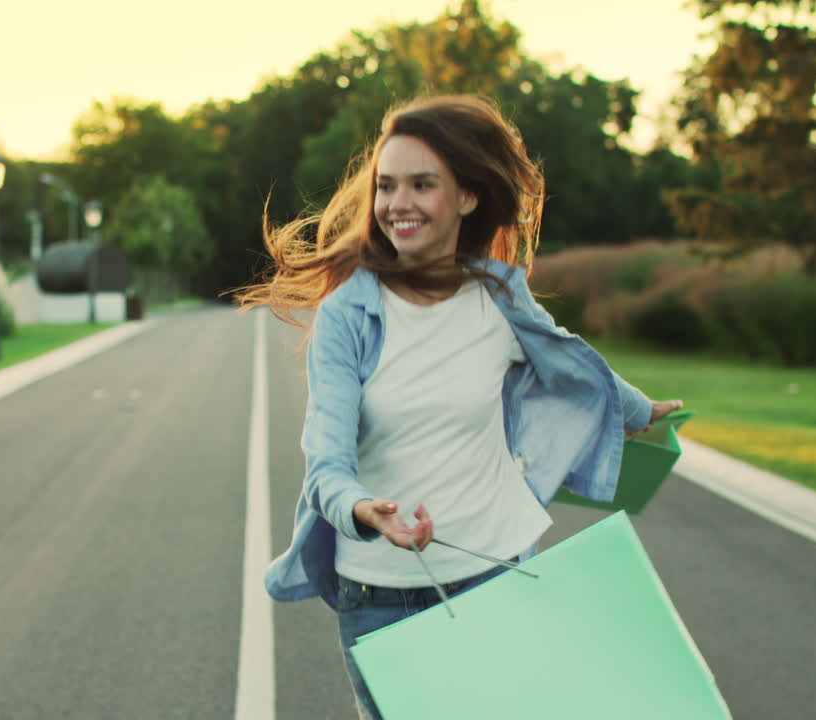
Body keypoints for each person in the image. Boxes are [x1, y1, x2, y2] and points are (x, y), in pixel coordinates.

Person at [234, 94, 684, 719]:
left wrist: (637, 410)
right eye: (387, 186)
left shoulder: (498, 295)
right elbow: (326, 466)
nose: (397, 203)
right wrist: (369, 511)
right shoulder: (349, 315)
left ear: (467, 196)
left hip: (494, 576)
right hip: (378, 596)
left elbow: (569, 362)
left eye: (423, 184)